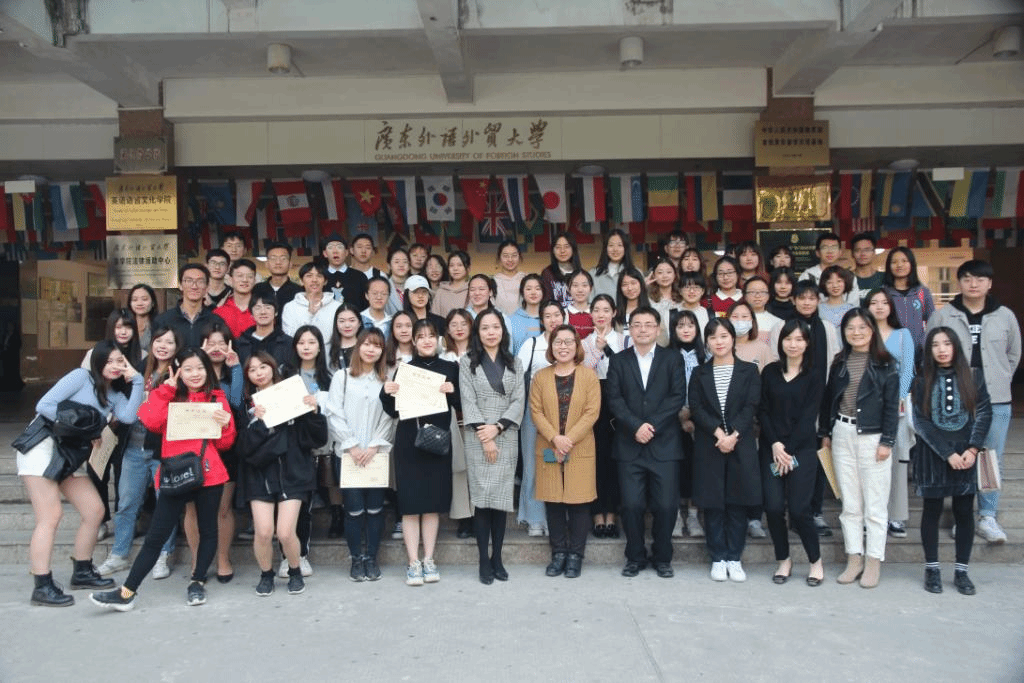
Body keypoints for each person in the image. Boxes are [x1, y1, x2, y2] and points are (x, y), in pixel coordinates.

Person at [90, 348, 235, 611]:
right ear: (178, 371)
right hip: (174, 474)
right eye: (188, 369)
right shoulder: (168, 395)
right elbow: (150, 421)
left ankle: (197, 582)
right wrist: (166, 390)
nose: (195, 374)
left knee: (208, 531)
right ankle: (127, 592)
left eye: (200, 368)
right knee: (156, 536)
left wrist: (226, 425)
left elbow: (225, 444)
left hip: (209, 473)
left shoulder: (217, 397)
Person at [18, 341, 142, 606]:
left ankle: (82, 571)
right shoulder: (80, 377)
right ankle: (42, 585)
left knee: (94, 510)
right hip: (42, 446)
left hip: (69, 454)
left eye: (120, 361)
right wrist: (86, 427)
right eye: (109, 361)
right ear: (97, 362)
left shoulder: (114, 394)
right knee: (50, 516)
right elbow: (45, 405)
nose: (115, 366)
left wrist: (138, 380)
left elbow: (128, 417)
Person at [926, 259, 1021, 544]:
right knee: (961, 455)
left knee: (990, 457)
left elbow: (1013, 355)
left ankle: (988, 516)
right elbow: (929, 353)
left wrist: (999, 379)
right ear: (960, 283)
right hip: (956, 398)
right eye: (967, 278)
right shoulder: (944, 316)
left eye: (980, 279)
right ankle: (963, 515)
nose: (973, 284)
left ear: (989, 283)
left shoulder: (1005, 316)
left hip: (996, 399)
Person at [820, 309, 900, 589]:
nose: (856, 333)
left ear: (872, 330)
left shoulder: (886, 363)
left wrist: (887, 441)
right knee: (850, 504)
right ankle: (854, 558)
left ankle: (873, 561)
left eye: (862, 327)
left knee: (875, 506)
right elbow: (829, 398)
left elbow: (891, 406)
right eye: (850, 328)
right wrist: (826, 433)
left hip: (873, 437)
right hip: (842, 433)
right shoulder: (839, 361)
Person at [96, 327, 182, 580]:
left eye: (169, 342)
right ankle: (119, 555)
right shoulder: (138, 368)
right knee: (126, 504)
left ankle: (163, 554)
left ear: (177, 347)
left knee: (165, 504)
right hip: (133, 447)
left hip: (162, 449)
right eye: (159, 340)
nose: (163, 346)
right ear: (151, 343)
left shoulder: (178, 372)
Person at [237, 351, 325, 597]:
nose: (259, 373)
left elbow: (317, 438)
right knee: (264, 531)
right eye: (252, 369)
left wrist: (314, 412)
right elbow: (242, 448)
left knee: (285, 532)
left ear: (273, 368)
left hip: (293, 472)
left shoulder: (292, 395)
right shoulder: (246, 405)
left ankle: (295, 571)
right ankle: (266, 575)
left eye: (263, 367)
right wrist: (259, 423)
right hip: (259, 475)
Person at [606, 306, 685, 578]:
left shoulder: (672, 359)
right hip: (629, 444)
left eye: (648, 324)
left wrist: (651, 426)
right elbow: (614, 398)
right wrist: (635, 426)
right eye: (637, 324)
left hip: (665, 445)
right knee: (631, 506)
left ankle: (663, 557)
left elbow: (677, 396)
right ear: (630, 329)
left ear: (658, 328)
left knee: (666, 506)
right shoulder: (619, 360)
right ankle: (635, 556)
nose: (642, 329)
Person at [912, 327, 992, 595]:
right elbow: (921, 422)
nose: (942, 349)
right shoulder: (921, 380)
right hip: (933, 454)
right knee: (931, 511)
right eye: (935, 345)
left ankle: (961, 572)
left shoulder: (974, 376)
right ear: (929, 351)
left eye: (947, 343)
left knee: (964, 512)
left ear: (956, 346)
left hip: (967, 454)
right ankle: (932, 569)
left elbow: (984, 412)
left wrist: (973, 448)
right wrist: (947, 453)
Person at [381, 319, 460, 586]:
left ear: (438, 340)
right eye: (421, 336)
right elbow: (393, 411)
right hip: (409, 442)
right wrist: (387, 393)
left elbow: (460, 403)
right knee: (410, 504)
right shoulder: (405, 369)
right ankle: (413, 561)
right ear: (413, 341)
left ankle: (429, 559)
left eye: (431, 335)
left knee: (432, 504)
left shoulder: (450, 368)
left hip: (437, 442)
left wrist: (452, 391)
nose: (426, 340)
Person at [688, 319, 762, 582]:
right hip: (711, 444)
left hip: (740, 444)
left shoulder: (749, 371)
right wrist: (719, 434)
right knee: (714, 505)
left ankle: (734, 557)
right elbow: (696, 408)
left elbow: (751, 406)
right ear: (707, 342)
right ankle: (718, 557)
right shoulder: (699, 373)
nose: (718, 342)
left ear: (732, 338)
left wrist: (733, 435)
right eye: (712, 337)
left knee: (737, 504)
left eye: (723, 336)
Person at [770, 280, 841, 537]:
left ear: (818, 301)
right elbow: (774, 362)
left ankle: (814, 512)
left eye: (812, 298)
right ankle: (790, 511)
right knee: (785, 455)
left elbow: (834, 364)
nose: (807, 302)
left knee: (817, 456)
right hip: (786, 404)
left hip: (820, 402)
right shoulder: (781, 327)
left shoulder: (828, 328)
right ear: (794, 300)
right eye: (802, 298)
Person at [460, 310, 525, 584]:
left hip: (506, 434)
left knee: (500, 501)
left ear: (503, 331)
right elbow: (467, 399)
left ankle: (497, 557)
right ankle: (483, 560)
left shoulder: (515, 362)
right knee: (482, 500)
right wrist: (485, 435)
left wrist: (497, 428)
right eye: (485, 328)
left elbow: (519, 400)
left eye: (495, 327)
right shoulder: (467, 362)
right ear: (478, 333)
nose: (491, 332)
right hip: (478, 436)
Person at [759, 319, 825, 586]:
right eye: (788, 339)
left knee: (799, 509)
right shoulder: (770, 372)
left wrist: (787, 451)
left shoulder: (814, 375)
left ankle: (815, 561)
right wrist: (775, 444)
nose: (793, 344)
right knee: (774, 508)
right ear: (781, 342)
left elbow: (809, 417)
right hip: (772, 449)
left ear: (807, 343)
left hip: (802, 451)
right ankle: (783, 560)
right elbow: (762, 410)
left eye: (799, 339)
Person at [532, 325, 601, 578]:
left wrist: (568, 440)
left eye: (568, 342)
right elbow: (536, 411)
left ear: (577, 346)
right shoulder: (541, 377)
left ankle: (575, 555)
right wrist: (555, 438)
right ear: (551, 347)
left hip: (579, 446)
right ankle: (559, 552)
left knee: (579, 502)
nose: (563, 346)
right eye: (558, 342)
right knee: (554, 502)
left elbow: (592, 412)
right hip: (549, 446)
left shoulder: (588, 376)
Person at [328, 329, 395, 581]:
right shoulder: (342, 377)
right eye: (366, 344)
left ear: (382, 351)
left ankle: (371, 558)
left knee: (375, 508)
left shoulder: (385, 380)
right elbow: (334, 412)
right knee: (354, 509)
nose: (371, 349)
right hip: (348, 454)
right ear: (358, 347)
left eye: (377, 346)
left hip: (376, 453)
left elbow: (390, 416)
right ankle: (356, 558)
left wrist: (374, 446)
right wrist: (352, 445)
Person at [282, 325, 334, 579]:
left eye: (311, 342)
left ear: (319, 347)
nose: (306, 347)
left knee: (305, 505)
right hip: (288, 446)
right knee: (288, 505)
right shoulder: (284, 373)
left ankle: (301, 554)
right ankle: (286, 557)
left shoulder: (328, 377)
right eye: (301, 342)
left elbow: (332, 411)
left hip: (315, 445)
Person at [866, 288, 916, 539]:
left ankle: (895, 516)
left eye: (884, 302)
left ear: (891, 307)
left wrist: (899, 398)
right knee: (870, 462)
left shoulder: (903, 334)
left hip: (896, 406)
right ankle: (872, 515)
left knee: (895, 462)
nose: (879, 307)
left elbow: (908, 369)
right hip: (867, 405)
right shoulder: (863, 332)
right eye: (873, 302)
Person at [516, 300, 566, 536]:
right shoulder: (532, 344)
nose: (553, 319)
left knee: (556, 463)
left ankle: (556, 517)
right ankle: (534, 517)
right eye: (548, 316)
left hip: (564, 414)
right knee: (533, 464)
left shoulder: (570, 343)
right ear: (542, 320)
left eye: (557, 314)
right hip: (534, 413)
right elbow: (518, 377)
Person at [582, 295, 624, 538]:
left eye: (606, 310)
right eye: (596, 310)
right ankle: (598, 514)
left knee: (615, 458)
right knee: (595, 459)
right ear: (590, 314)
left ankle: (613, 515)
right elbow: (583, 373)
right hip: (593, 398)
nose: (601, 314)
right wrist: (597, 350)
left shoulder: (623, 339)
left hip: (617, 399)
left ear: (614, 312)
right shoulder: (584, 342)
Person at [668, 310, 706, 539]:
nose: (685, 329)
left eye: (690, 325)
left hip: (700, 422)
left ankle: (693, 515)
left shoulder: (706, 356)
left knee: (696, 469)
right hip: (671, 421)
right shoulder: (666, 355)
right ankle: (674, 515)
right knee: (673, 469)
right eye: (680, 325)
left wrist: (692, 415)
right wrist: (680, 416)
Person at [440, 309, 475, 539]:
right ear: (448, 329)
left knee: (478, 467)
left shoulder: (480, 353)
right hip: (453, 418)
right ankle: (464, 518)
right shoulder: (443, 357)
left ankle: (481, 515)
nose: (459, 328)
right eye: (454, 324)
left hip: (479, 418)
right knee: (459, 469)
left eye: (463, 323)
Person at [153, 263, 228, 348]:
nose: (194, 286)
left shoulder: (216, 321)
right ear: (180, 285)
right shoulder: (163, 320)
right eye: (189, 281)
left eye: (200, 281)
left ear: (207, 287)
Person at [282, 259, 342, 349]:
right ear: (301, 281)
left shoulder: (337, 306)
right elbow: (290, 336)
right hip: (301, 354)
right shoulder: (290, 307)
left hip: (329, 354)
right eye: (309, 276)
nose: (314, 280)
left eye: (319, 276)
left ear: (325, 281)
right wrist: (310, 314)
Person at [883, 246, 934, 351]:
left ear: (912, 264)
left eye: (904, 261)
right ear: (888, 266)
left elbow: (932, 322)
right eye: (894, 262)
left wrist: (924, 344)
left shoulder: (922, 292)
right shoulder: (883, 293)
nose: (899, 265)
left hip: (919, 353)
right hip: (890, 352)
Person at [236, 292, 292, 369]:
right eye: (258, 308)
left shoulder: (288, 343)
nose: (263, 312)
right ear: (251, 314)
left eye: (268, 307)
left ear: (276, 312)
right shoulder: (241, 343)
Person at [251, 242, 303, 326]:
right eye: (273, 258)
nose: (278, 262)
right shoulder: (257, 289)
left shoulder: (299, 292)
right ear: (267, 264)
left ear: (290, 264)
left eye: (283, 258)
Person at [321, 234, 368, 309]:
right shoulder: (320, 277)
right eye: (330, 248)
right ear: (325, 253)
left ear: (346, 252)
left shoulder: (359, 276)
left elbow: (366, 305)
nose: (335, 251)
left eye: (339, 247)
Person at [214, 259, 258, 338]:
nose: (245, 280)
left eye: (250, 276)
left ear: (255, 280)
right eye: (240, 276)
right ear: (230, 280)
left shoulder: (263, 311)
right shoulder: (219, 312)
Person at [590, 229, 634, 301]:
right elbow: (589, 302)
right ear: (605, 248)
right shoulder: (593, 274)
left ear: (625, 248)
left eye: (620, 245)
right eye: (611, 245)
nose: (615, 249)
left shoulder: (635, 273)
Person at [541, 232, 581, 309]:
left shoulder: (581, 273)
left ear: (573, 249)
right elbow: (546, 302)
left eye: (566, 246)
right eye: (558, 247)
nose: (562, 251)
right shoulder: (547, 273)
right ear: (553, 250)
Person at [728, 300, 771, 372]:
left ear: (752, 320)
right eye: (735, 316)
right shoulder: (722, 347)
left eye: (744, 316)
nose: (740, 320)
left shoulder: (763, 348)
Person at [507, 273, 544, 354]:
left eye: (538, 289)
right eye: (528, 289)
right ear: (522, 292)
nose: (533, 292)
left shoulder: (549, 319)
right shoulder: (511, 320)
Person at [431, 251, 471, 317]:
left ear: (468, 268)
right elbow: (435, 317)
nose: (455, 269)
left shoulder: (473, 290)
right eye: (452, 265)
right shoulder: (441, 292)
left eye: (460, 265)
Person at [493, 239, 526, 315]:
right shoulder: (493, 282)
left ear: (519, 256)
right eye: (506, 256)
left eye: (514, 255)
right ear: (499, 257)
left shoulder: (526, 279)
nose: (510, 259)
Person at [614, 267, 651, 335]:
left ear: (641, 284)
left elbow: (662, 339)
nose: (630, 288)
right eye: (625, 285)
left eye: (633, 283)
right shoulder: (615, 313)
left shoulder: (653, 310)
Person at [328, 304, 364, 372]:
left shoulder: (366, 347)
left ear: (359, 323)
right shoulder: (328, 348)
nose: (347, 325)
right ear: (336, 324)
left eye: (352, 320)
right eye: (342, 321)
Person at [851, 234, 884, 302]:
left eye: (867, 250)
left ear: (874, 252)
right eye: (858, 250)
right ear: (852, 254)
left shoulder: (885, 278)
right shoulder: (845, 279)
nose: (863, 254)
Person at [128, 283, 159, 354]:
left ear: (153, 302)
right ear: (130, 303)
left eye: (144, 299)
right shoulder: (125, 325)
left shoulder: (160, 325)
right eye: (135, 300)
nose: (139, 303)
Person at [565, 269, 595, 339]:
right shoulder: (563, 314)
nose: (580, 290)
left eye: (584, 285)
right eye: (575, 285)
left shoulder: (597, 313)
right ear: (568, 289)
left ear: (591, 288)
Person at [385, 247, 411, 315]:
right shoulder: (383, 287)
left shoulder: (415, 285)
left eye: (405, 262)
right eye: (397, 262)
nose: (401, 265)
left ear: (409, 266)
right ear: (389, 266)